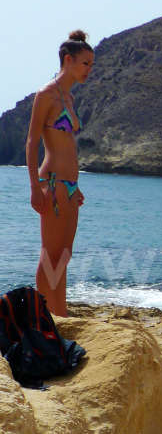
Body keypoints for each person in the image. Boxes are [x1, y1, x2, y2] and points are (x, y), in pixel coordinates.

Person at [25, 30, 94, 316]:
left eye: (91, 64)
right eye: (85, 63)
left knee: (63, 255)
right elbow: (31, 142)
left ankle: (60, 314)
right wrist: (33, 188)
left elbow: (69, 147)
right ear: (68, 59)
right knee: (50, 254)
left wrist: (75, 186)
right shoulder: (47, 95)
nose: (89, 70)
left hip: (69, 185)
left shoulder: (70, 99)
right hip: (50, 183)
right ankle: (41, 318)